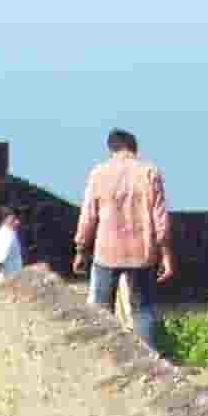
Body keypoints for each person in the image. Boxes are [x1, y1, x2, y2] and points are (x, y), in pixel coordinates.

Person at [71, 128, 172, 349]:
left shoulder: (99, 173)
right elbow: (160, 218)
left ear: (111, 149)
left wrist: (80, 249)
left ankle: (102, 357)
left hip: (106, 252)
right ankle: (150, 364)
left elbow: (88, 215)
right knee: (143, 310)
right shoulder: (150, 172)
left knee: (100, 309)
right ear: (134, 147)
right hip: (142, 253)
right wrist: (166, 255)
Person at [0, 207, 25, 285]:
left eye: (18, 219)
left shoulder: (6, 234)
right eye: (14, 219)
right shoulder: (6, 236)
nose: (18, 222)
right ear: (6, 219)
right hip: (4, 286)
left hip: (9, 285)